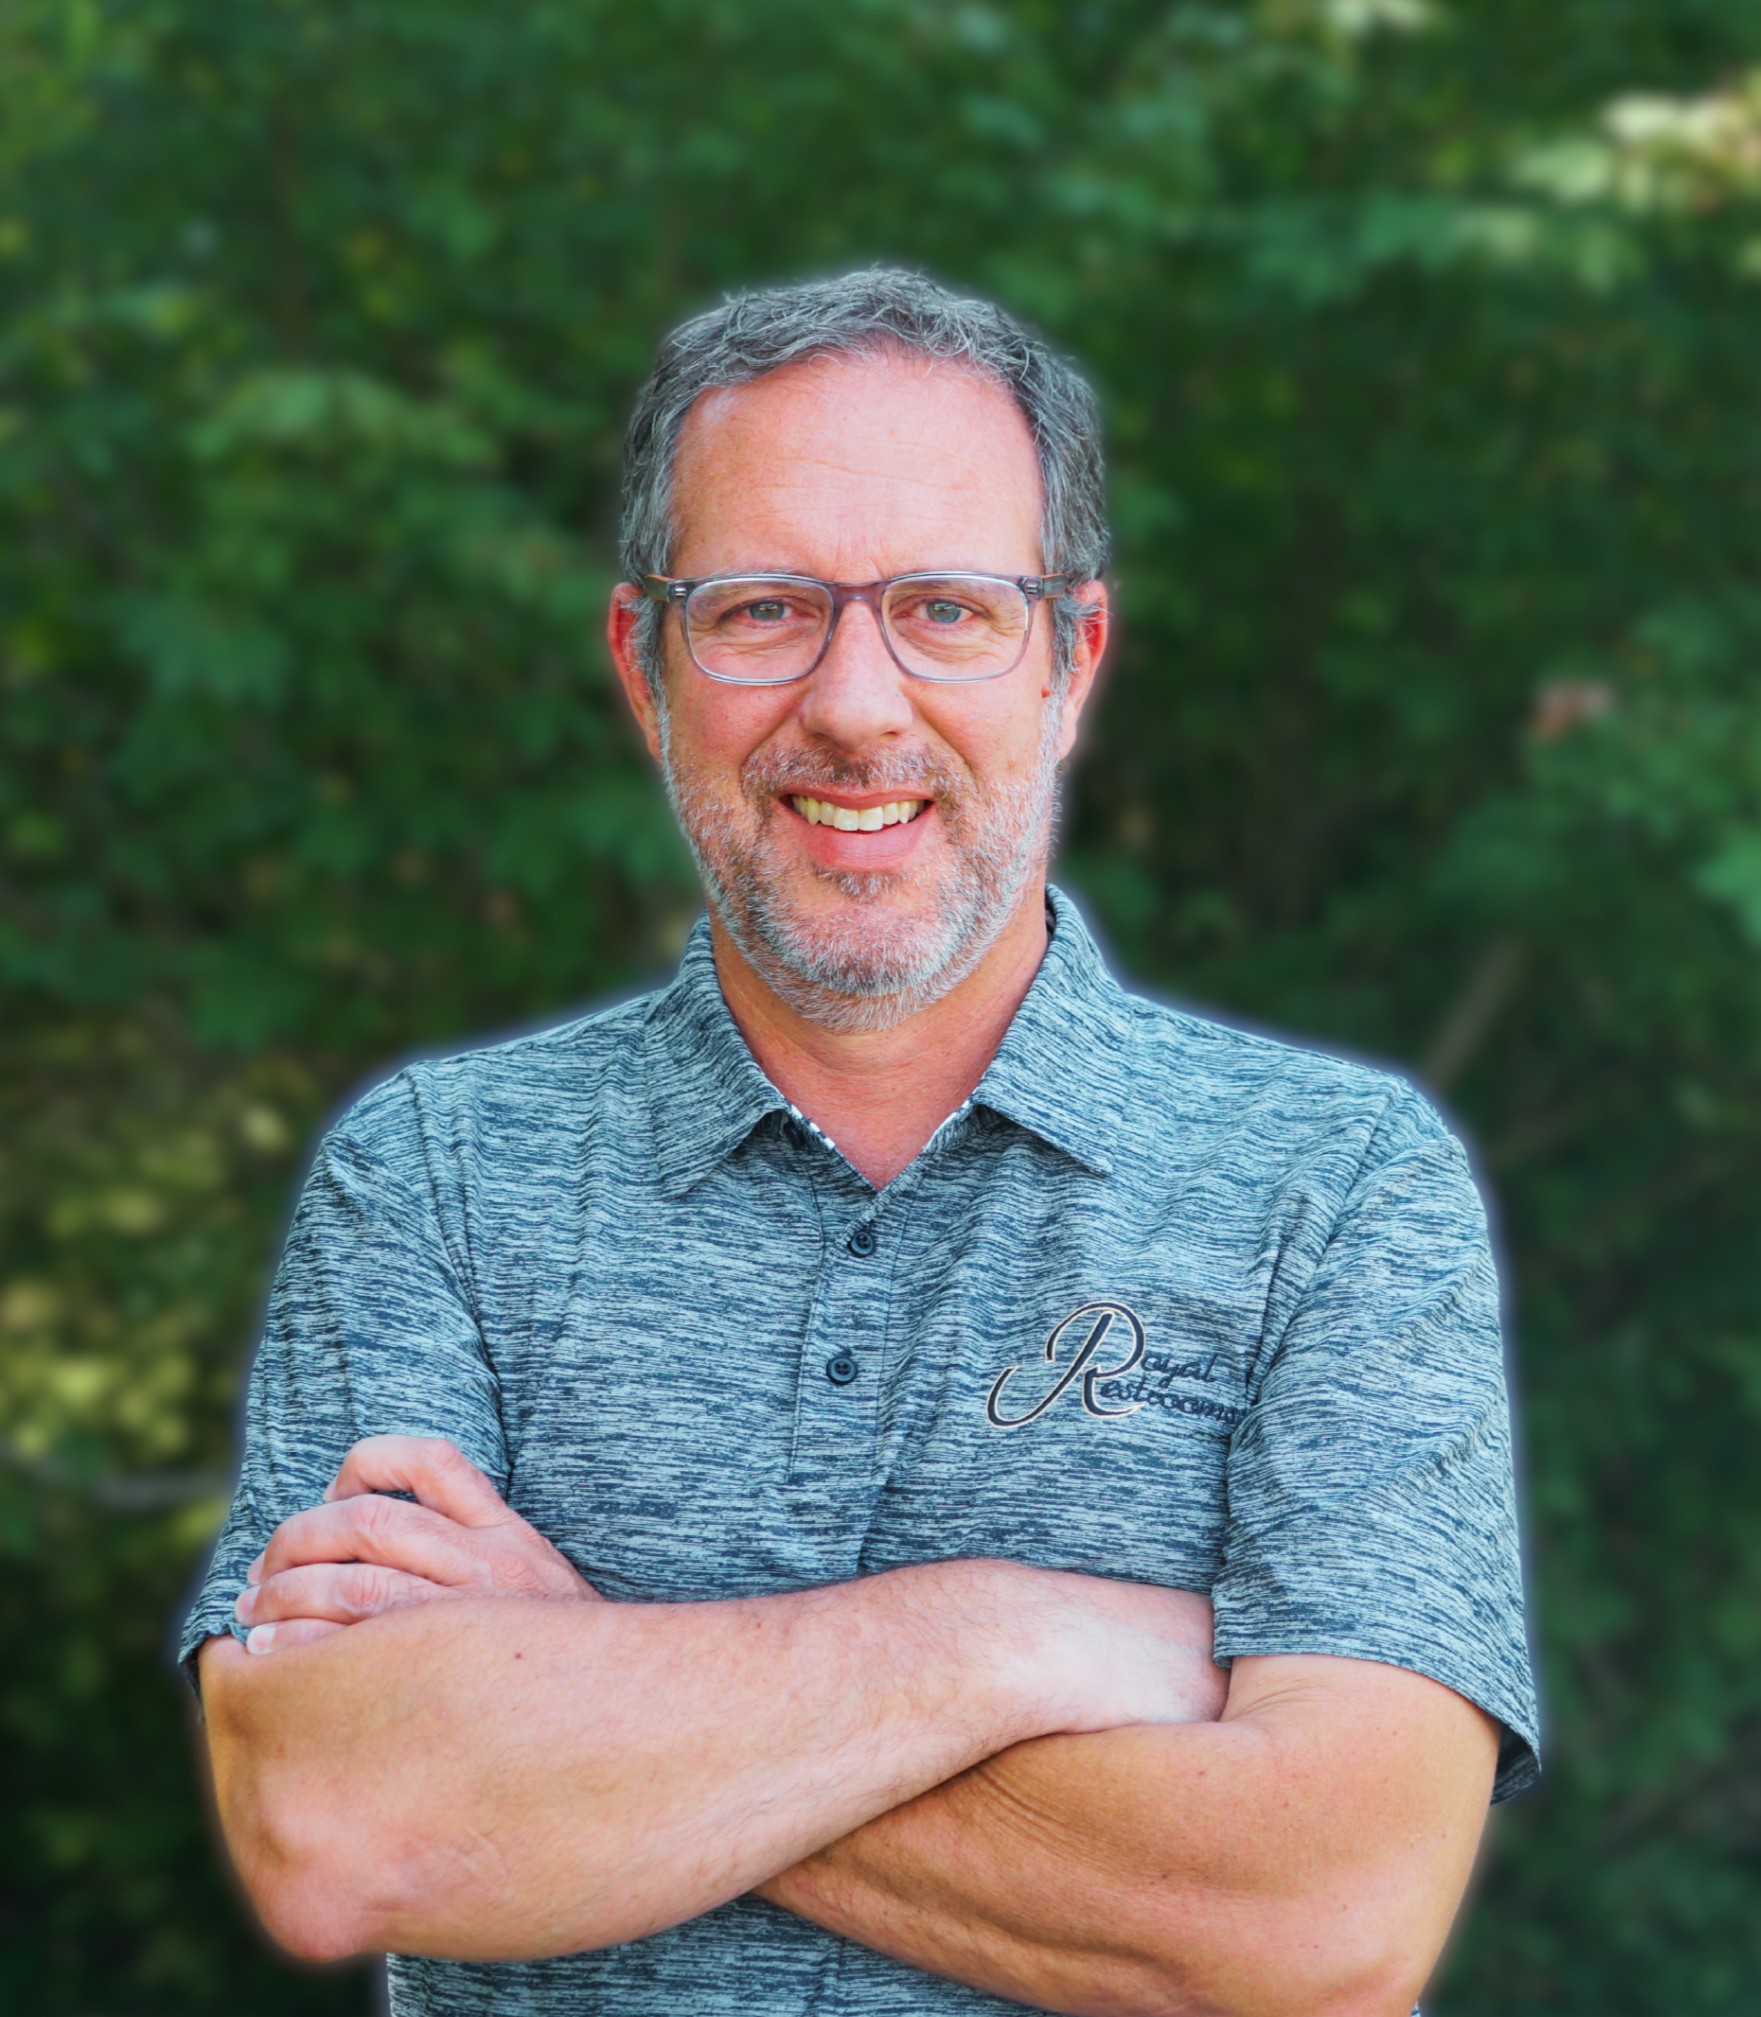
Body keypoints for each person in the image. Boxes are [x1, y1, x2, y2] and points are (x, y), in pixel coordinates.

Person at [185, 269, 1538, 2017]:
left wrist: (569, 1674)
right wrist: (1006, 1637)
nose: (857, 705)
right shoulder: (434, 1174)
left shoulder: (1337, 1188)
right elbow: (338, 1821)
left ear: (1072, 659)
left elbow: (1323, 1924)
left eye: (948, 611)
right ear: (643, 664)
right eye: (760, 608)